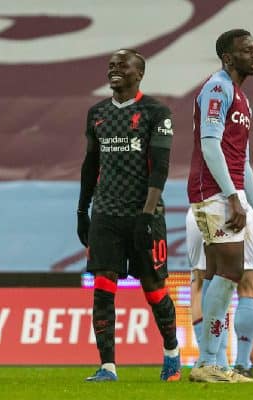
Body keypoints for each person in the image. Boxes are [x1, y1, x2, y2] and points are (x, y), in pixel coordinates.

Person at [77, 49, 180, 382]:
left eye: (122, 66)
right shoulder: (97, 113)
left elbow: (160, 168)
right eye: (111, 66)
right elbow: (90, 165)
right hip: (106, 213)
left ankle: (171, 352)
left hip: (143, 214)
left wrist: (147, 214)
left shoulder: (155, 112)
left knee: (153, 288)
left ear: (139, 73)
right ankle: (108, 366)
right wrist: (82, 209)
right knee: (103, 287)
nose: (114, 70)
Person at [187, 29, 253, 383]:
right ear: (228, 57)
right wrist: (230, 196)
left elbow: (245, 163)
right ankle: (208, 362)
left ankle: (213, 363)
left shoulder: (242, 99)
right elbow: (210, 145)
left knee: (224, 275)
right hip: (212, 191)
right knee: (228, 272)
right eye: (247, 50)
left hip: (231, 193)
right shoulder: (218, 87)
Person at [186, 208, 253, 382]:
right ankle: (241, 366)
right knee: (248, 284)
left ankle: (211, 363)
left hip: (199, 210)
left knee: (201, 281)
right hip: (238, 211)